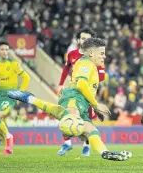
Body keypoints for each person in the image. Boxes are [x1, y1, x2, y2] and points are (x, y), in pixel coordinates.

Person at [8, 37, 131, 161]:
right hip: (74, 97)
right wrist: (96, 104)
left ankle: (105, 153)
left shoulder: (91, 66)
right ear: (91, 53)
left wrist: (93, 106)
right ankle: (30, 99)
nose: (104, 57)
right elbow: (81, 84)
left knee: (91, 131)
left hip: (82, 102)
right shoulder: (86, 63)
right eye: (102, 53)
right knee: (69, 115)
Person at [57, 27, 106, 157]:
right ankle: (67, 143)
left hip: (89, 91)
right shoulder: (72, 54)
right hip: (75, 90)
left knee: (87, 118)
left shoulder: (95, 55)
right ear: (78, 40)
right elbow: (66, 69)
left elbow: (101, 76)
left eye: (88, 38)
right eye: (83, 38)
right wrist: (61, 84)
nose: (85, 40)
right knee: (69, 113)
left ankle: (86, 145)